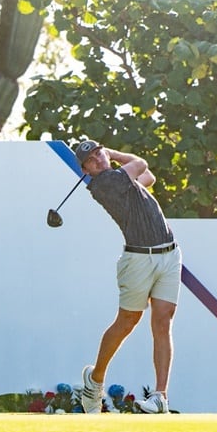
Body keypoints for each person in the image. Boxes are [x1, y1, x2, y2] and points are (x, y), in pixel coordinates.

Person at [72, 138, 181, 414]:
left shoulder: (122, 180)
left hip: (169, 253)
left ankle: (160, 396)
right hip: (138, 259)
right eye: (92, 160)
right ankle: (95, 380)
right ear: (86, 170)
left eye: (99, 153)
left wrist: (112, 158)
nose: (98, 159)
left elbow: (149, 177)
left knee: (163, 319)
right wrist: (114, 152)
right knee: (128, 320)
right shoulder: (104, 185)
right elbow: (141, 164)